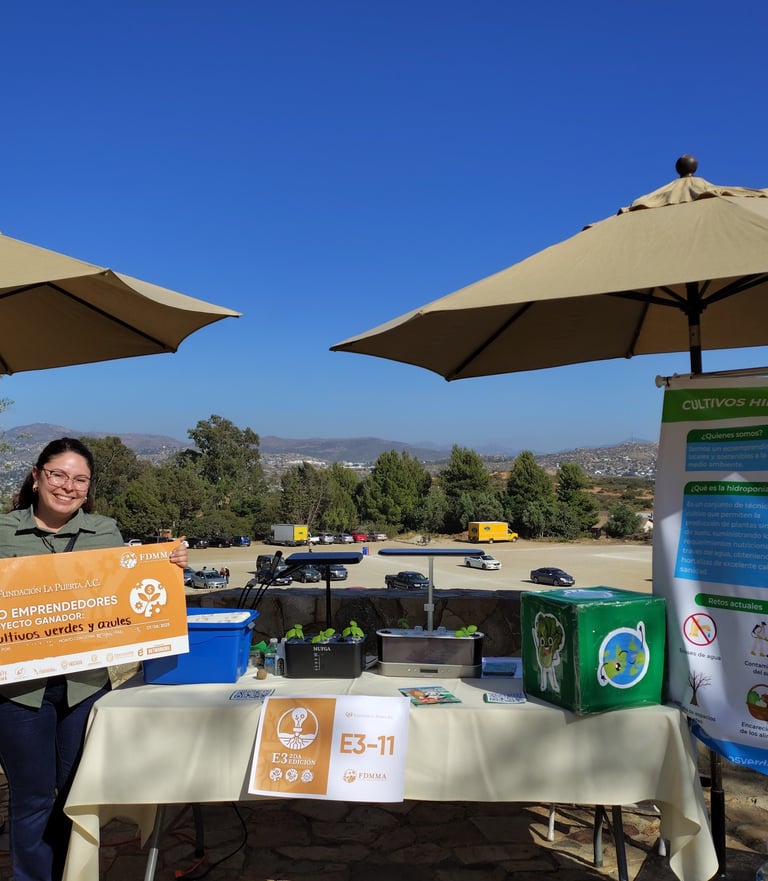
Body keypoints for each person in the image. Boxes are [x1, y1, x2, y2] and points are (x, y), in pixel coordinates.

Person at [0, 437, 188, 881]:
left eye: (80, 480)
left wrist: (169, 564)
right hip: (19, 692)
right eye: (58, 475)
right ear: (36, 477)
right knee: (31, 800)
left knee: (78, 796)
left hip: (84, 686)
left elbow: (126, 592)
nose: (68, 486)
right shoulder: (3, 531)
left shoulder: (105, 531)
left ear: (89, 488)